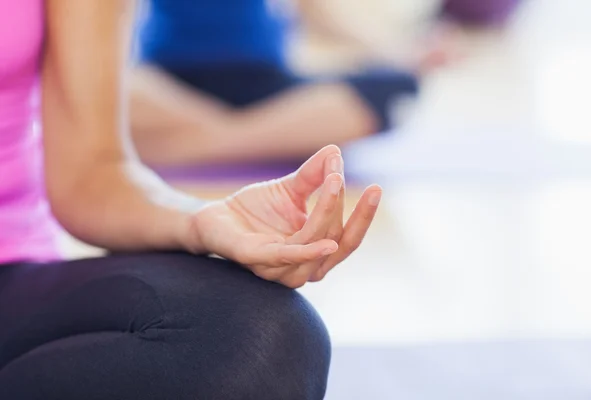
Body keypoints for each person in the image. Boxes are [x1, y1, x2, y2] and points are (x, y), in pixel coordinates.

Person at [0, 0, 382, 398]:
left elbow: (91, 175)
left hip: (13, 278)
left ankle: (219, 137)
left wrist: (202, 219)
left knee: (261, 337)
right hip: (178, 83)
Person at [129, 0, 440, 165]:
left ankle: (199, 144)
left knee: (395, 85)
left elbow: (318, 12)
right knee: (115, 89)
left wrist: (397, 54)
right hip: (169, 88)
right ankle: (272, 140)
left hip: (267, 88)